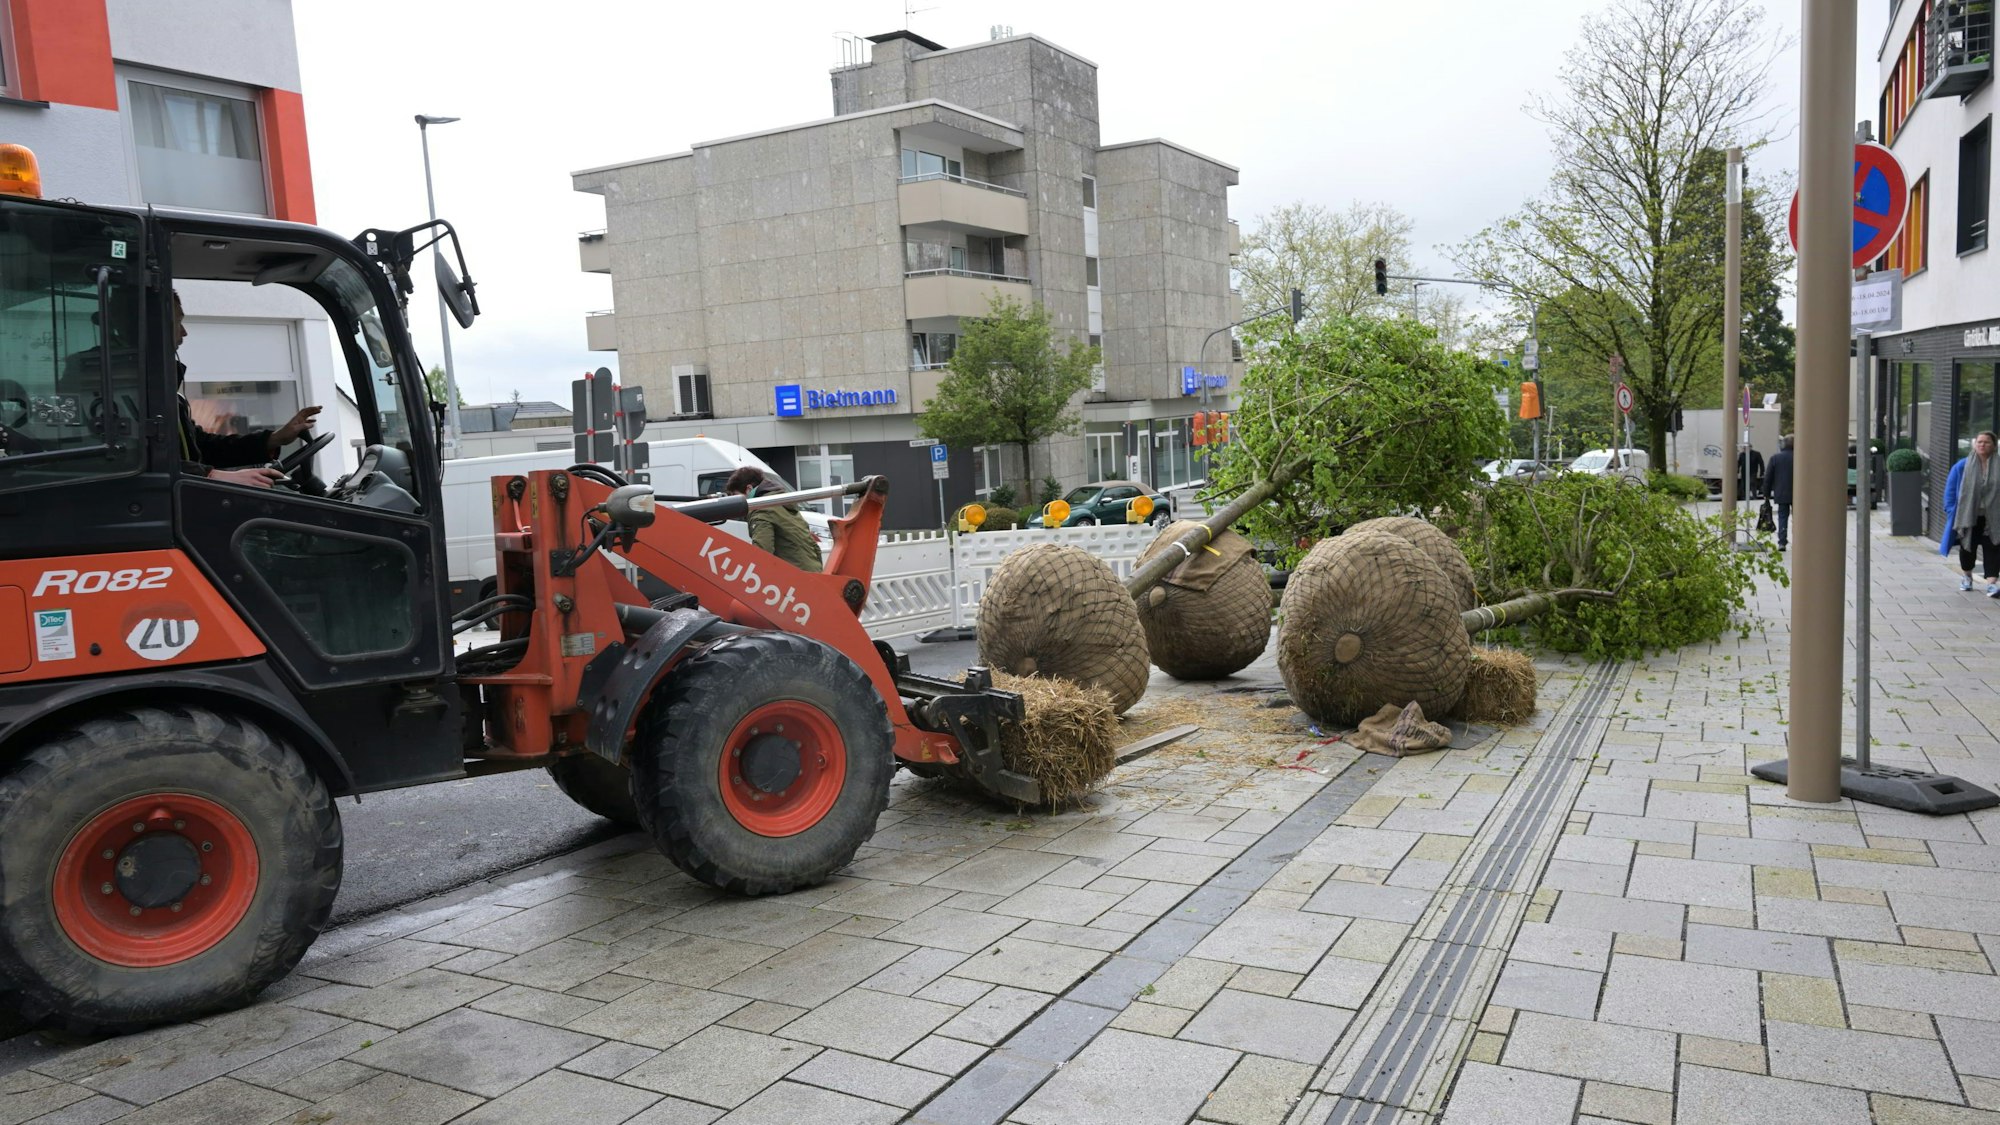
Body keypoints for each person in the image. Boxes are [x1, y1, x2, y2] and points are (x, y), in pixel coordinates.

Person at [172, 292, 320, 488]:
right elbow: (140, 462)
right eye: (178, 321)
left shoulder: (170, 398)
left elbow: (204, 446)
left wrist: (274, 439)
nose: (184, 332)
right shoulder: (132, 394)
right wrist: (211, 475)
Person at [724, 466, 823, 573]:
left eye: (735, 495)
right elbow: (814, 545)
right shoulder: (782, 503)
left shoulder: (761, 511)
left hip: (795, 578)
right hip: (813, 571)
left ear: (749, 489)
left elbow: (762, 555)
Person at [1944, 431, 2000, 594]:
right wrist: (1950, 510)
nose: (1982, 445)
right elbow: (1951, 489)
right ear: (1975, 445)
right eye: (1979, 442)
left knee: (1994, 547)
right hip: (1969, 515)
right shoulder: (1963, 465)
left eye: (1986, 442)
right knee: (1968, 547)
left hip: (1993, 517)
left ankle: (1991, 583)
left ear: (1993, 445)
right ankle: (1967, 576)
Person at [1764, 435, 1795, 550]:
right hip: (1799, 494)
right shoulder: (1801, 457)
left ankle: (1782, 542)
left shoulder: (1775, 458)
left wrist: (1766, 493)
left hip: (1781, 492)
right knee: (1799, 518)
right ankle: (1799, 540)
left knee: (1782, 517)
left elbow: (1768, 477)